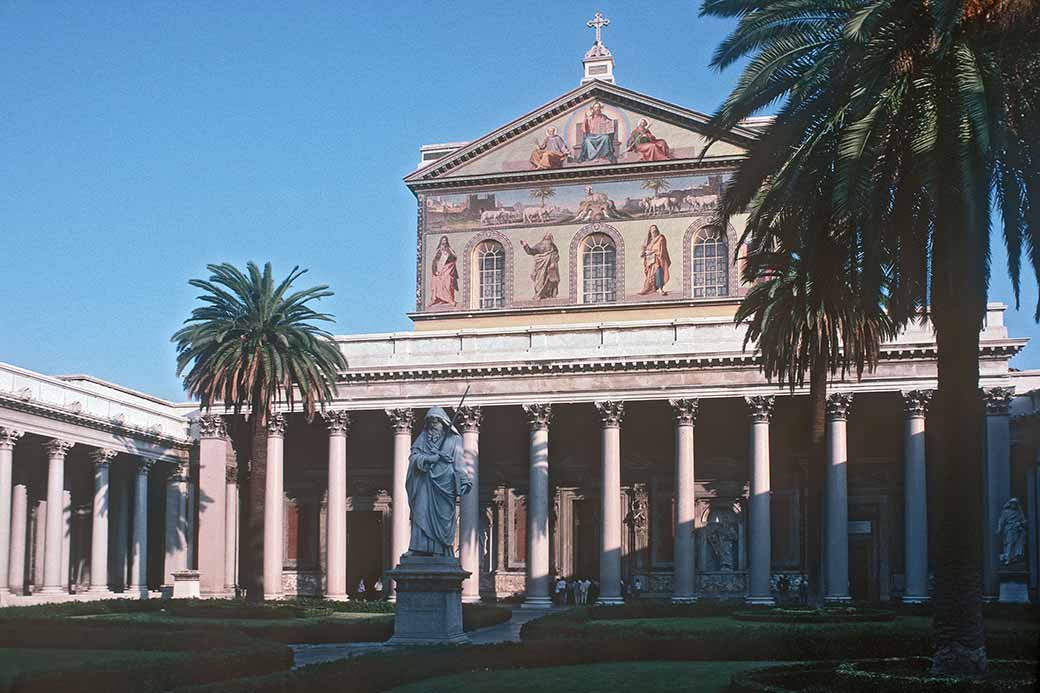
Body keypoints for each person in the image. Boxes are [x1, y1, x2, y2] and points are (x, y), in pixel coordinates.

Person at [407, 406, 472, 556]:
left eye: (435, 422)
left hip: (445, 485)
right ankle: (418, 548)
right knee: (421, 513)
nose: (432, 425)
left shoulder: (455, 440)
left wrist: (464, 480)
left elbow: (460, 464)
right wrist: (430, 458)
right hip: (425, 483)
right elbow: (413, 458)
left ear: (443, 423)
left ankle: (441, 549)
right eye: (430, 422)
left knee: (443, 520)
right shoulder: (422, 439)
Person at [520, 234, 560, 299]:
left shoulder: (553, 246)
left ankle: (549, 295)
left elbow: (556, 255)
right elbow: (531, 251)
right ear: (543, 238)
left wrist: (553, 262)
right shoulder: (539, 245)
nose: (547, 239)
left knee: (551, 280)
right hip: (541, 265)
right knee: (540, 280)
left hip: (550, 266)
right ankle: (539, 294)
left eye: (549, 237)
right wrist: (525, 245)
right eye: (546, 237)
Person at [638, 225, 671, 296]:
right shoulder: (648, 241)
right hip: (649, 261)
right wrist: (643, 252)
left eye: (655, 229)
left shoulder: (660, 238)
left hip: (658, 259)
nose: (654, 231)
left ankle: (660, 289)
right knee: (650, 275)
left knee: (658, 272)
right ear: (650, 232)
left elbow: (659, 248)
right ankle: (650, 288)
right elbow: (644, 248)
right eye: (652, 230)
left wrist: (650, 251)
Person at [997, 497, 1027, 565]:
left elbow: (1024, 521)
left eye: (1015, 504)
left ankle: (1015, 557)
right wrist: (999, 529)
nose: (1014, 505)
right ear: (1010, 504)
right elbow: (1001, 521)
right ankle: (1008, 558)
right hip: (1009, 530)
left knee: (1017, 544)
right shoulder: (1005, 512)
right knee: (1009, 544)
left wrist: (1020, 523)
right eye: (1012, 504)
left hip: (1018, 530)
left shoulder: (1019, 512)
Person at [429, 236, 458, 306]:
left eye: (445, 240)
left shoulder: (449, 249)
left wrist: (448, 256)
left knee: (448, 283)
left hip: (449, 268)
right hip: (440, 269)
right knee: (436, 281)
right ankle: (438, 299)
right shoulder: (439, 251)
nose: (444, 242)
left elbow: (454, 257)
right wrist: (435, 270)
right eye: (443, 240)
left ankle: (449, 299)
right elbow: (435, 261)